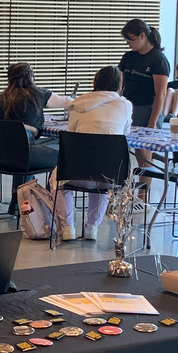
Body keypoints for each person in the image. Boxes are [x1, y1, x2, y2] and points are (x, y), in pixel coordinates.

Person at [55, 66, 132, 241]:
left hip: (75, 171)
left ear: (94, 82)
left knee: (56, 180)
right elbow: (125, 134)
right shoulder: (125, 105)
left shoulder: (77, 104)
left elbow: (71, 134)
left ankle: (68, 228)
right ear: (119, 85)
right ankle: (92, 228)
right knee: (102, 183)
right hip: (110, 173)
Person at [0, 62, 74, 171]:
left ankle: (21, 188)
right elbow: (67, 102)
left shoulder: (2, 97)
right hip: (25, 151)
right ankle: (50, 188)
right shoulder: (38, 93)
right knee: (66, 158)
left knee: (24, 158)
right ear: (30, 76)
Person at [118, 18, 171, 172]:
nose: (128, 43)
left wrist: (152, 122)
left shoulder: (158, 59)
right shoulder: (128, 57)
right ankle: (125, 192)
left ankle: (143, 194)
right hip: (129, 107)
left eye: (131, 39)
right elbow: (120, 85)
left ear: (143, 36)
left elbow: (160, 94)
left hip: (148, 108)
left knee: (144, 157)